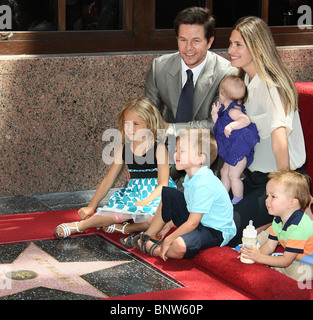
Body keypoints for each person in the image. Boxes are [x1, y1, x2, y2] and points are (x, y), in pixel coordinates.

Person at [227, 16, 308, 246]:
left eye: (238, 44)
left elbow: (279, 142)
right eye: (231, 43)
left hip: (280, 182)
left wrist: (283, 193)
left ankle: (270, 232)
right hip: (252, 179)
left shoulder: (272, 85)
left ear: (257, 46)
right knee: (216, 218)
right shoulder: (244, 84)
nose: (231, 50)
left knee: (230, 228)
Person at [54, 97, 176, 239]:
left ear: (149, 125)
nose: (130, 128)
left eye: (136, 124)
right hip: (134, 192)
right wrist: (91, 206)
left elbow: (163, 185)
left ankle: (127, 228)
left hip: (156, 194)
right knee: (117, 213)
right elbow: (109, 179)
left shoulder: (159, 149)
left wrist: (145, 202)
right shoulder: (124, 149)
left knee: (153, 219)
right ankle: (80, 226)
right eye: (126, 123)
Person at [144, 6, 236, 185]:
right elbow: (146, 115)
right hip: (166, 151)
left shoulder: (226, 74)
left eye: (196, 40)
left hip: (205, 158)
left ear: (210, 42)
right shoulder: (159, 68)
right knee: (137, 198)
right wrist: (136, 161)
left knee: (181, 204)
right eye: (183, 40)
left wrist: (172, 128)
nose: (188, 48)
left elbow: (217, 124)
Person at [131, 128, 236, 260]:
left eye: (182, 151)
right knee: (168, 195)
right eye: (176, 151)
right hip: (199, 222)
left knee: (180, 245)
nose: (176, 155)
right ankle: (148, 235)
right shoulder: (190, 177)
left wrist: (170, 238)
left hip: (214, 231)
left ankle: (156, 249)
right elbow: (188, 209)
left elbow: (192, 223)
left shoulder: (204, 183)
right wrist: (169, 224)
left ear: (200, 158)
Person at [241, 170, 313, 281]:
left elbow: (286, 261)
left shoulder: (299, 227)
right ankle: (273, 262)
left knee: (299, 274)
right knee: (287, 265)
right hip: (293, 256)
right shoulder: (278, 218)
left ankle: (273, 262)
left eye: (273, 196)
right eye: (267, 195)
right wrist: (251, 254)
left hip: (308, 262)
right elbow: (270, 246)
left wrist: (260, 257)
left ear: (291, 203)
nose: (266, 200)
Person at [211, 75, 259, 205]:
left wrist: (232, 125)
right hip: (231, 151)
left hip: (238, 152)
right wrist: (215, 115)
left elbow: (245, 120)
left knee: (233, 175)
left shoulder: (233, 111)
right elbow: (220, 127)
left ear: (222, 95)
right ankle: (222, 196)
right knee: (223, 172)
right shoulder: (225, 110)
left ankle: (238, 199)